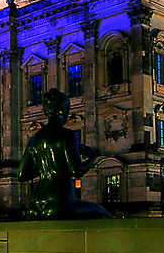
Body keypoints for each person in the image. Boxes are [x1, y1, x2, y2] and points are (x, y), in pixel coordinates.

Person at [19, 88, 110, 219]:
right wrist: (92, 157)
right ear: (65, 110)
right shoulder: (68, 135)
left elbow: (22, 175)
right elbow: (76, 172)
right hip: (59, 200)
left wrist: (44, 166)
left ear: (45, 111)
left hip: (35, 202)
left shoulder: (35, 139)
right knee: (103, 213)